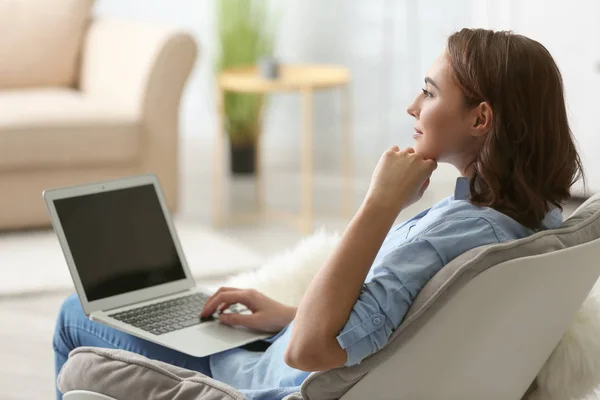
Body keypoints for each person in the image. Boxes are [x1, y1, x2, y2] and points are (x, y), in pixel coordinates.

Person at [53, 28, 583, 400]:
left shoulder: (452, 233)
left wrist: (380, 203)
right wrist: (288, 314)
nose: (412, 107)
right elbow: (395, 323)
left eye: (428, 91)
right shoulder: (530, 220)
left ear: (480, 118)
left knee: (75, 315)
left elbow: (310, 351)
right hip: (284, 352)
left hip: (259, 382)